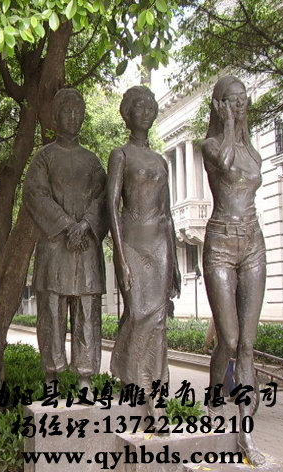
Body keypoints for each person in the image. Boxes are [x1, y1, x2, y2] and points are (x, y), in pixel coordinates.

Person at [23, 88, 108, 392]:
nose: (73, 117)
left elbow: (104, 199)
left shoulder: (92, 161)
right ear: (56, 117)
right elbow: (35, 195)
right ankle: (51, 376)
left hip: (86, 249)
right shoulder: (44, 158)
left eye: (78, 112)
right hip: (54, 248)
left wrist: (85, 225)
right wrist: (66, 225)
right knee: (52, 313)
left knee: (87, 314)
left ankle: (85, 377)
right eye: (67, 112)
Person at [201, 76, 266, 466]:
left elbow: (245, 171)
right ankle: (213, 403)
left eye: (243, 100)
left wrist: (237, 129)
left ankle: (245, 433)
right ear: (218, 105)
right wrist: (226, 125)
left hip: (253, 242)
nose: (239, 105)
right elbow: (224, 167)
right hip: (221, 244)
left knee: (247, 343)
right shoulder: (212, 145)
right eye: (231, 100)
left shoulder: (251, 149)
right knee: (228, 338)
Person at [107, 85, 181, 417]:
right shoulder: (120, 155)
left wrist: (174, 261)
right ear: (128, 113)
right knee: (138, 314)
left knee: (159, 319)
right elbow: (111, 206)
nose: (146, 112)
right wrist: (120, 257)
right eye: (140, 107)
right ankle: (132, 377)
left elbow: (168, 213)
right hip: (132, 243)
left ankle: (156, 394)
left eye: (151, 107)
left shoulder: (161, 161)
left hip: (160, 244)